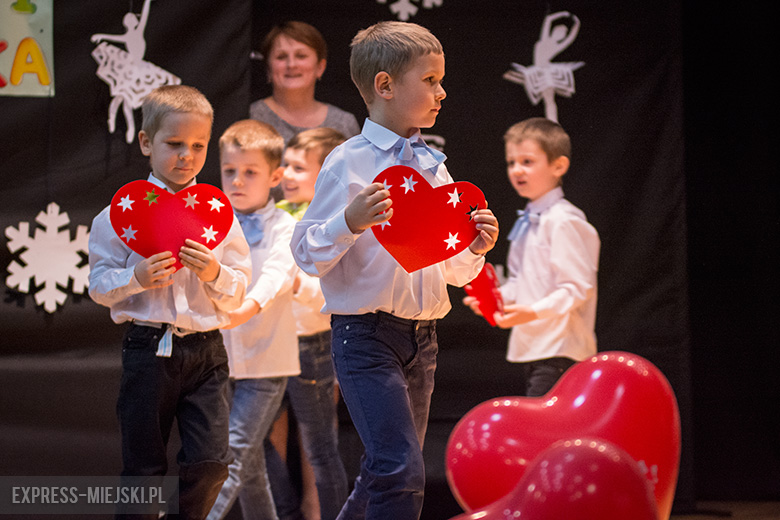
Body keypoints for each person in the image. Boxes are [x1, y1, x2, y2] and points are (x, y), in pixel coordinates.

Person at [290, 21, 500, 519]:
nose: (442, 92)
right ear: (385, 86)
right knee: (399, 472)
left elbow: (452, 271)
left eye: (440, 80)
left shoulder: (434, 166)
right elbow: (304, 252)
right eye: (430, 80)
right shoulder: (347, 162)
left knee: (385, 470)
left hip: (422, 340)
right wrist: (349, 221)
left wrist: (475, 246)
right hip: (365, 338)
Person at [88, 85, 252, 520]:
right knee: (143, 469)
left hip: (206, 351)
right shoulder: (118, 213)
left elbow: (239, 288)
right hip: (148, 351)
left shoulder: (219, 215)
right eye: (174, 144)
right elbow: (99, 286)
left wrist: (214, 272)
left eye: (197, 146)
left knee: (212, 462)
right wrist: (136, 278)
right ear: (146, 142)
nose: (186, 155)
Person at [207, 120, 301, 520]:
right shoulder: (212, 222)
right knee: (250, 467)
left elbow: (279, 275)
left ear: (275, 177)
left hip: (266, 363)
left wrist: (248, 307)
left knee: (232, 456)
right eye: (230, 171)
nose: (237, 181)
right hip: (220, 361)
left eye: (250, 172)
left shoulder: (286, 225)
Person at [465, 117, 599, 397]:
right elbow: (523, 281)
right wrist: (494, 299)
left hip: (561, 351)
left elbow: (577, 287)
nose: (516, 170)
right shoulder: (528, 220)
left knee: (551, 433)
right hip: (534, 349)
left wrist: (532, 312)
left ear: (558, 166)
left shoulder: (564, 220)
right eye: (511, 162)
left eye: (527, 161)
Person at [267, 127, 349, 520]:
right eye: (285, 165)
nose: (287, 174)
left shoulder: (333, 222)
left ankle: (321, 512)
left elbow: (326, 292)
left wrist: (296, 284)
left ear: (327, 175)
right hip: (271, 342)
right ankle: (283, 513)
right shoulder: (274, 217)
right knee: (261, 437)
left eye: (299, 168)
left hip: (313, 344)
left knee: (319, 444)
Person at [250, 21, 360, 146]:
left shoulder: (344, 123)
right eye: (281, 57)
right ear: (268, 69)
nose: (291, 64)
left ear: (320, 67)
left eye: (301, 56)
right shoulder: (250, 118)